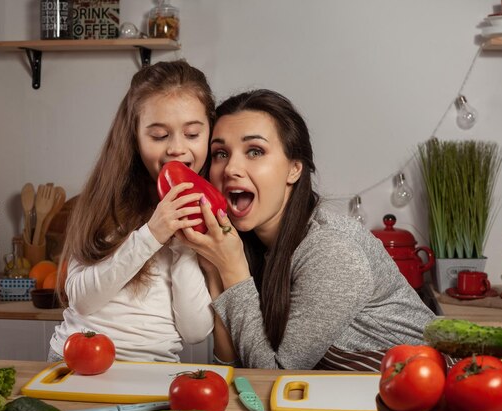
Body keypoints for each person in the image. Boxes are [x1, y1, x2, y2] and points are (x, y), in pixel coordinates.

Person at [180, 89, 436, 371]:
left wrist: (233, 269)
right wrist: (216, 272)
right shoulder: (250, 245)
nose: (231, 168)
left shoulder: (331, 251)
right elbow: (233, 366)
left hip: (428, 394)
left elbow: (272, 378)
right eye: (220, 153)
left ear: (294, 169)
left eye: (255, 151)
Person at [48, 60, 216, 362]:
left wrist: (184, 247)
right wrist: (152, 235)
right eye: (159, 136)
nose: (177, 148)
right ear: (134, 138)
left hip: (155, 372)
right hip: (77, 362)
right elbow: (82, 300)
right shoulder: (103, 202)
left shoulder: (209, 211)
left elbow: (195, 331)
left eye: (192, 134)